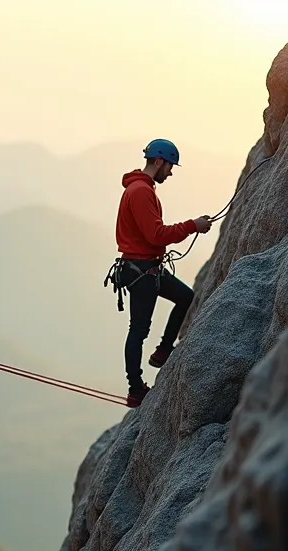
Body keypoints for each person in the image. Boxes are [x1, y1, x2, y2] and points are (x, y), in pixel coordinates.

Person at [114, 138, 214, 408]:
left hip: (144, 268)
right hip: (142, 270)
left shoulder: (143, 189)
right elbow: (156, 235)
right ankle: (136, 388)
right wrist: (193, 225)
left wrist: (193, 225)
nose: (170, 172)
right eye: (170, 166)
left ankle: (162, 352)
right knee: (138, 330)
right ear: (158, 162)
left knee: (185, 297)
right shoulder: (140, 192)